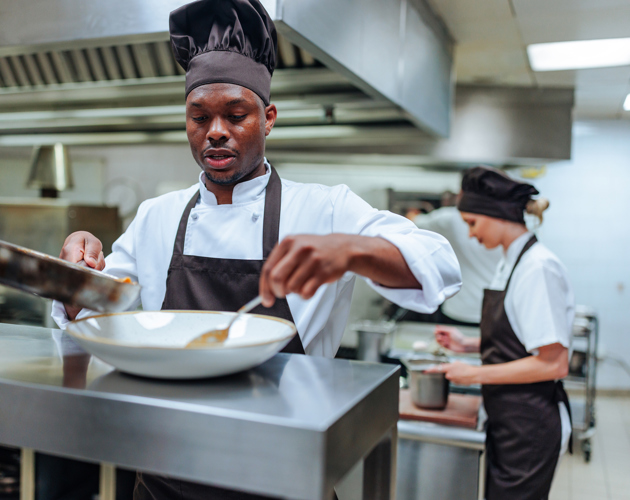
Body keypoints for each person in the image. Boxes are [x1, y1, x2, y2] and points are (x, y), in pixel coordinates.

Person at [53, 0, 461, 498]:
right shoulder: (157, 215)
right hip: (165, 471)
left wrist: (353, 250)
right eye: (199, 116)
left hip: (284, 472)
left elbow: (438, 264)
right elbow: (100, 307)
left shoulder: (325, 209)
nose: (215, 131)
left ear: (268, 118)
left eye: (236, 114)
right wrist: (75, 275)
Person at [431, 166, 573, 500]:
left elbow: (554, 363)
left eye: (472, 223)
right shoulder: (510, 261)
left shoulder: (537, 267)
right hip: (508, 417)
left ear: (494, 214)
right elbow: (522, 339)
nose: (469, 235)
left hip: (529, 425)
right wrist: (468, 345)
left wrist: (475, 374)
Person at [407, 191, 501, 326]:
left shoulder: (451, 218)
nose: (471, 234)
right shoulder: (505, 223)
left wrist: (412, 212)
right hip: (495, 310)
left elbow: (412, 222)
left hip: (460, 309)